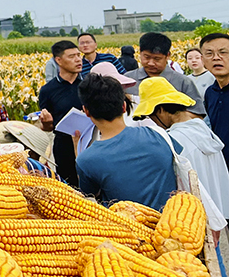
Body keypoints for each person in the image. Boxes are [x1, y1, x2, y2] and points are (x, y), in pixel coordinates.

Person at [75, 74, 180, 210]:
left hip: (127, 228)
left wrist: (76, 148)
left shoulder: (86, 160)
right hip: (173, 224)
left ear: (86, 111)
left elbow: (89, 198)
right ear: (124, 107)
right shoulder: (158, 135)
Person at [134, 76, 229, 221]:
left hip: (193, 219)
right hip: (218, 211)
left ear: (160, 110)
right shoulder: (202, 129)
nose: (152, 121)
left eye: (151, 115)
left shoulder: (174, 140)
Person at [125, 32, 206, 118]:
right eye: (147, 57)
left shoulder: (183, 82)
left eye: (157, 59)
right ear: (140, 52)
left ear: (167, 56)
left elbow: (198, 114)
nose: (151, 63)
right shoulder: (128, 80)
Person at [37, 40, 84, 186]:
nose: (78, 59)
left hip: (90, 141)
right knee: (70, 186)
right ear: (59, 60)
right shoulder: (48, 90)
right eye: (72, 56)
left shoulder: (89, 84)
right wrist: (47, 123)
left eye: (78, 55)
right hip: (64, 145)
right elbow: (47, 128)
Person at [201, 32, 229, 168]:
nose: (216, 58)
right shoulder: (210, 92)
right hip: (221, 166)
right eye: (209, 54)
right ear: (203, 60)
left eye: (223, 52)